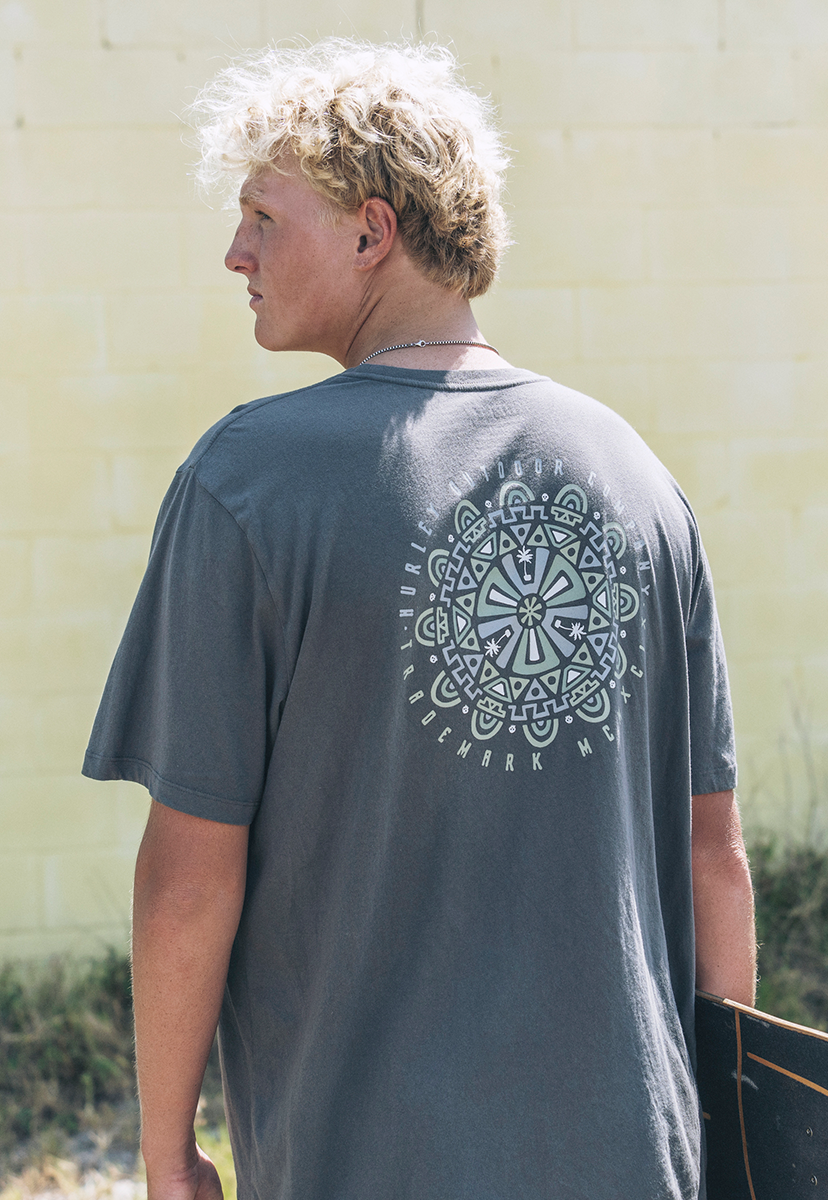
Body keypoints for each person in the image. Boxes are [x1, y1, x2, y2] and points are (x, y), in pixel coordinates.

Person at [83, 38, 756, 1200]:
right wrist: (733, 1142)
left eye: (261, 217)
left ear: (369, 232)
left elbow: (187, 880)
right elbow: (715, 856)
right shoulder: (639, 479)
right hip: (638, 1161)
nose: (233, 252)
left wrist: (163, 1155)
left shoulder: (247, 485)